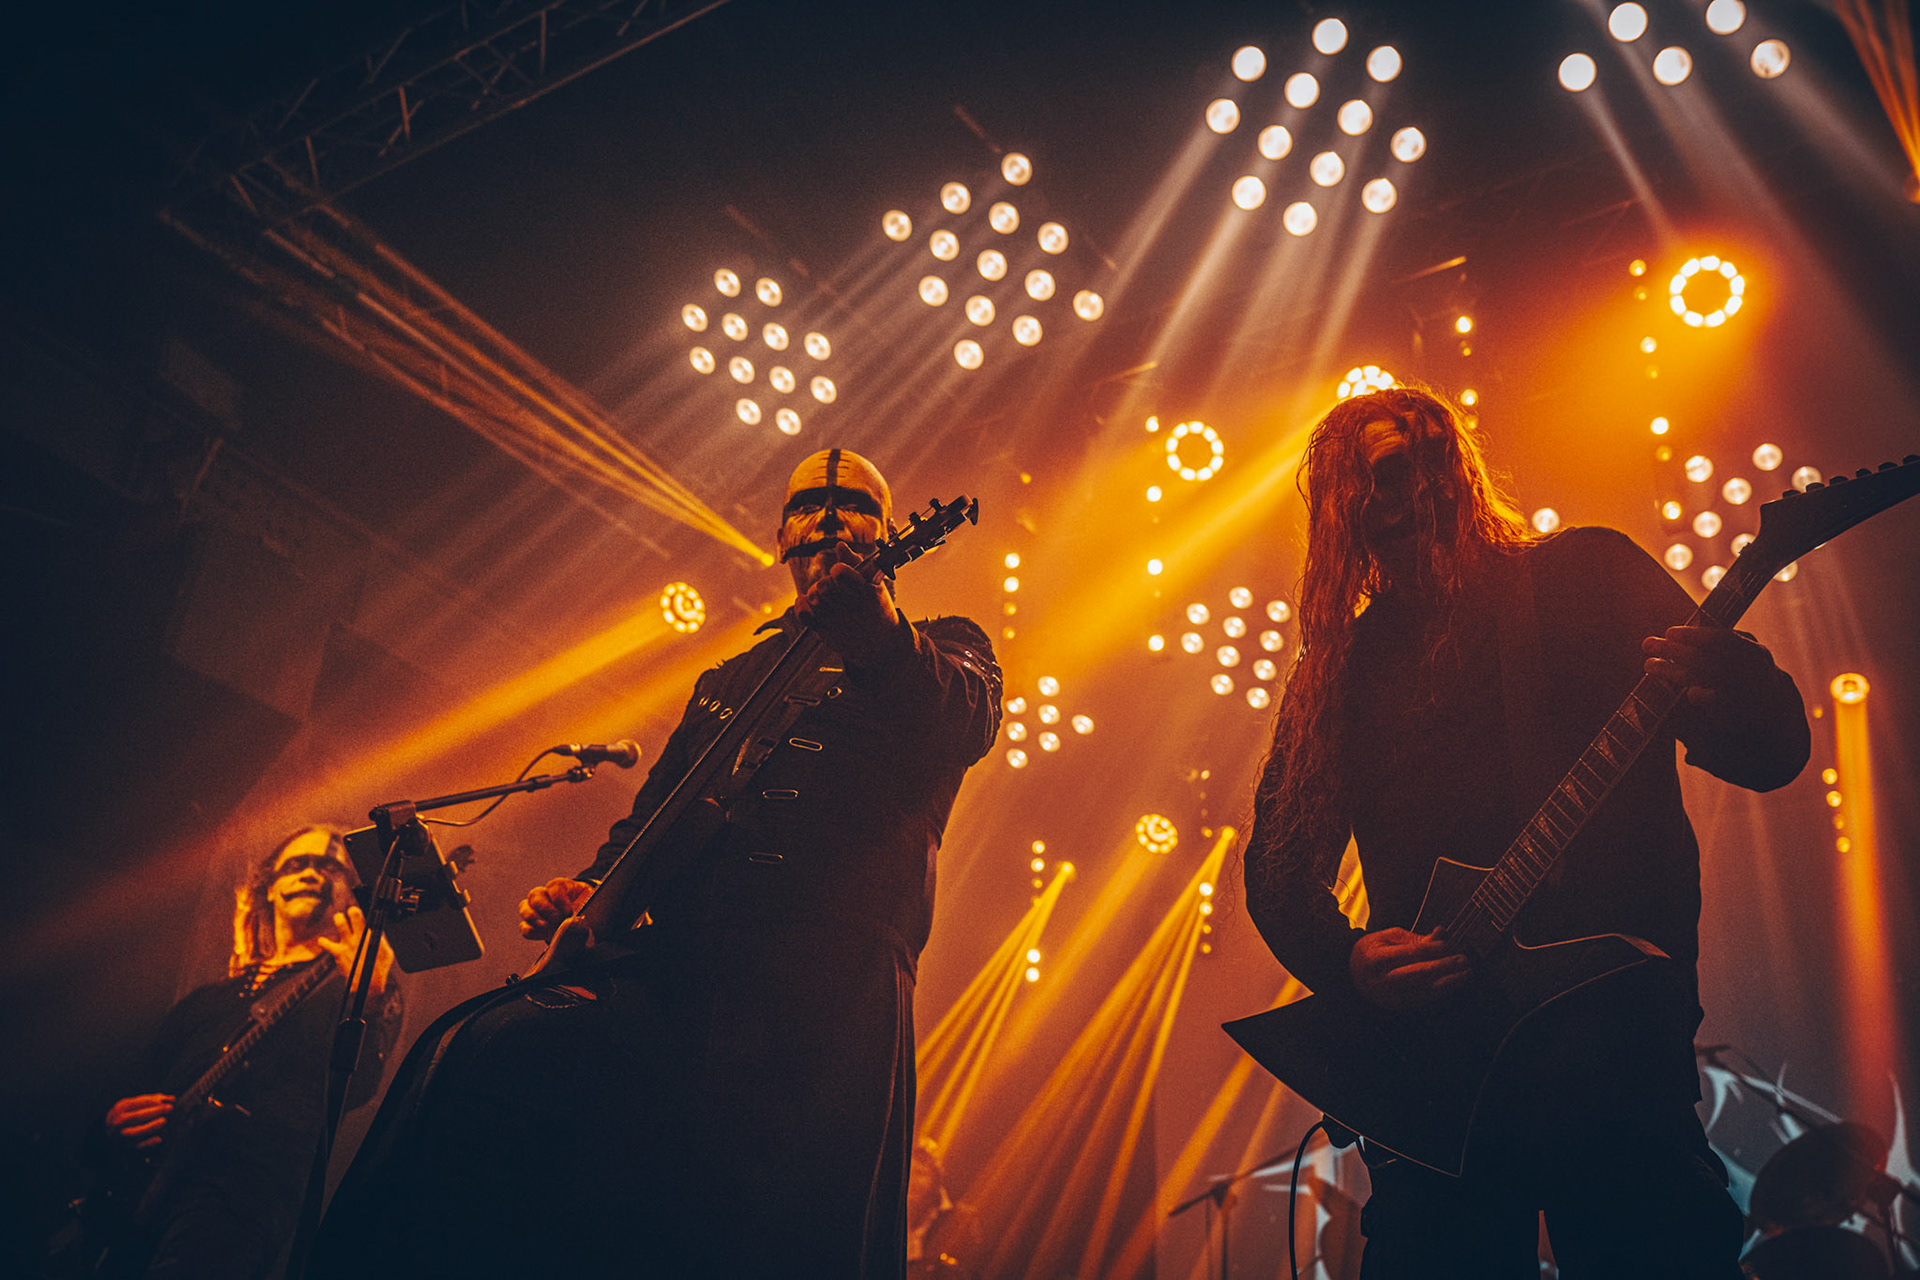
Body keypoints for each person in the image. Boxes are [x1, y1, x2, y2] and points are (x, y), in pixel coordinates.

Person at [313, 448, 1000, 1278]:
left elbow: (964, 723)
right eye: (807, 506)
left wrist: (881, 634)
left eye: (850, 504)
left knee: (775, 1229)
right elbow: (655, 817)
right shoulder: (728, 678)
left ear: (888, 534)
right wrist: (593, 891)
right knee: (487, 1049)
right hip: (689, 968)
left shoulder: (942, 647)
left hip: (828, 981)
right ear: (780, 537)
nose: (825, 519)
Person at [1241, 387, 1809, 1278]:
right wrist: (1347, 960)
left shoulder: (1587, 574)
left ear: (1454, 474)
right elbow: (1276, 871)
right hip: (1436, 1063)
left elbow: (1770, 754)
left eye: (1408, 468)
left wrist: (1734, 678)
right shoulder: (1342, 666)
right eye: (1363, 487)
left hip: (1609, 1035)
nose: (1395, 500)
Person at [89, 826, 401, 1280]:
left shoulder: (356, 984)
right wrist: (109, 1122)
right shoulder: (209, 998)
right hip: (138, 1195)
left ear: (351, 895)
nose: (312, 873)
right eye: (297, 864)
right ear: (270, 887)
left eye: (330, 867)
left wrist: (367, 1002)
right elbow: (136, 1080)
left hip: (241, 1201)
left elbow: (354, 1091)